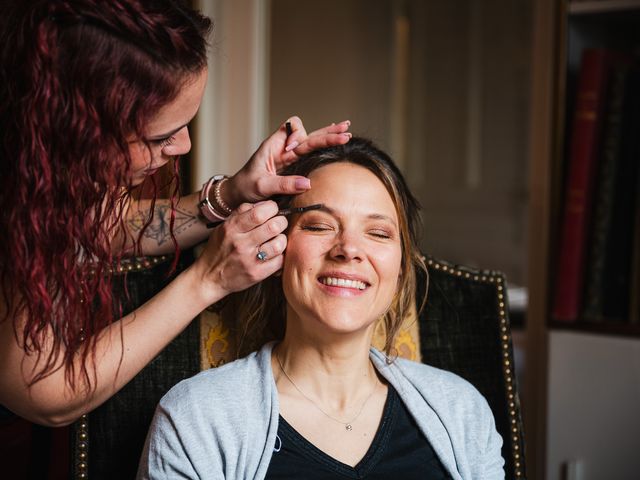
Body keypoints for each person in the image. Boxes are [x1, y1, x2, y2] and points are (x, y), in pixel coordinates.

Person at [0, 0, 351, 429]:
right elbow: (46, 393)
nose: (183, 146)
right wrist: (208, 279)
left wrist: (235, 190)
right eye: (160, 136)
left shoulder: (46, 168)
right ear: (77, 125)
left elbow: (107, 227)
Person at [138, 137, 505, 479]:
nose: (348, 249)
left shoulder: (462, 410)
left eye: (377, 233)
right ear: (275, 249)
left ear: (401, 268)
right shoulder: (198, 418)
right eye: (318, 226)